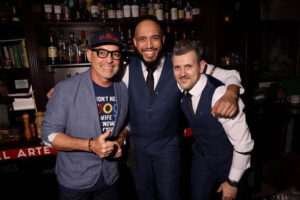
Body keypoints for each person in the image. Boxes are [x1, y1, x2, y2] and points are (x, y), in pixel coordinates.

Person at [123, 15, 245, 200]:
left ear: (163, 40)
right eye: (142, 39)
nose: (149, 44)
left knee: (170, 196)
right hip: (137, 149)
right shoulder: (123, 68)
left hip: (167, 148)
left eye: (154, 38)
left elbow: (229, 74)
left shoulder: (180, 64)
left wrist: (231, 93)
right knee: (143, 195)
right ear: (134, 43)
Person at [41, 29, 129, 200]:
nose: (109, 59)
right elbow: (47, 135)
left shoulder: (122, 89)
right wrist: (90, 145)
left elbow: (128, 123)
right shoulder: (65, 89)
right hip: (75, 183)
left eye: (115, 54)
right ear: (89, 55)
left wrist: (120, 139)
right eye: (102, 53)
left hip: (110, 178)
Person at [172, 39, 254, 200]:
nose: (182, 73)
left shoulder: (219, 95)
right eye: (177, 67)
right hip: (202, 158)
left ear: (202, 66)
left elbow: (244, 144)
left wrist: (233, 182)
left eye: (189, 66)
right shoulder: (182, 84)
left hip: (228, 162)